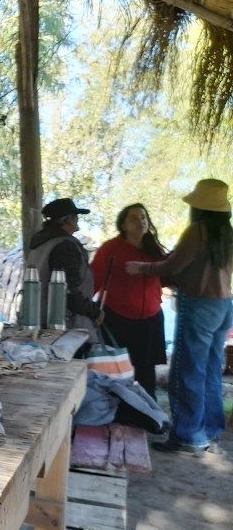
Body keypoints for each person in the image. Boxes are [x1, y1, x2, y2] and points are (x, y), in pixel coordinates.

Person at [127, 179, 233, 454]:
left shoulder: (198, 230)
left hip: (198, 304)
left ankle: (188, 437)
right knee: (211, 371)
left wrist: (142, 268)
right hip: (224, 305)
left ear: (199, 207)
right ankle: (209, 431)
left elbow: (174, 265)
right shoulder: (227, 232)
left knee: (187, 372)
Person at [91, 204, 169, 397]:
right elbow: (93, 281)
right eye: (134, 218)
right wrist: (89, 311)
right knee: (118, 373)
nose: (140, 221)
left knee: (146, 373)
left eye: (143, 217)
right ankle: (119, 412)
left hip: (150, 319)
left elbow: (167, 278)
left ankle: (148, 411)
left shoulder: (154, 249)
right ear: (123, 225)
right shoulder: (110, 249)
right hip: (117, 320)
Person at [27, 197, 103, 344]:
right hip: (66, 330)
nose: (77, 221)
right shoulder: (65, 246)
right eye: (75, 217)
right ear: (67, 220)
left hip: (40, 323)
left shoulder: (40, 245)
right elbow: (68, 292)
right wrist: (95, 312)